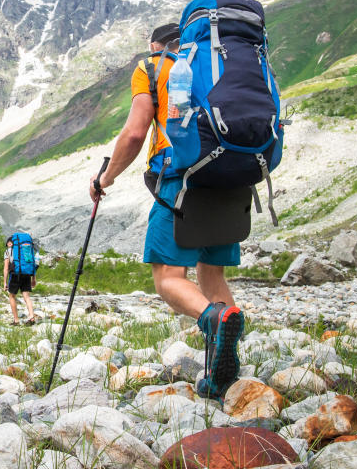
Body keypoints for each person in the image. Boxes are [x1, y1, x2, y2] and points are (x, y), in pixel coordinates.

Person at [88, 23, 245, 399]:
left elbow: (136, 133)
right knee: (211, 276)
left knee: (168, 277)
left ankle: (217, 320)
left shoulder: (154, 66)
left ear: (156, 44)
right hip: (231, 176)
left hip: (180, 176)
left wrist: (105, 179)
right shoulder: (221, 63)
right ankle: (223, 373)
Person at [3, 236, 37, 326]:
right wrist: (34, 278)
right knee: (26, 296)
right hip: (26, 274)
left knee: (12, 296)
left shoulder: (8, 251)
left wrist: (5, 282)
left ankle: (16, 320)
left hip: (15, 274)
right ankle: (32, 317)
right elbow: (32, 262)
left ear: (10, 243)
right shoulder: (26, 250)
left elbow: (6, 268)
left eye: (7, 244)